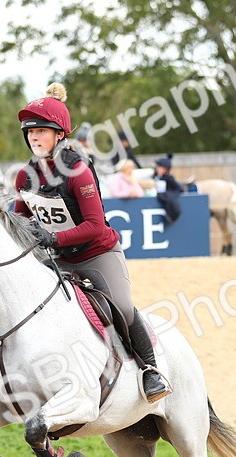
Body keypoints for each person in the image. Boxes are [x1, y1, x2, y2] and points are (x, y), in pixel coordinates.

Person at [13, 83, 171, 403]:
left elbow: (95, 225)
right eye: (29, 131)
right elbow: (19, 220)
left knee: (122, 307)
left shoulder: (78, 171)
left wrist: (53, 237)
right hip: (56, 257)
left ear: (59, 134)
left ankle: (151, 370)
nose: (33, 136)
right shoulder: (24, 176)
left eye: (41, 130)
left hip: (96, 252)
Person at [152, 154, 185, 224]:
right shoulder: (157, 177)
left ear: (165, 169)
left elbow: (179, 189)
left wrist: (167, 194)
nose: (157, 169)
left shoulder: (168, 178)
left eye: (159, 167)